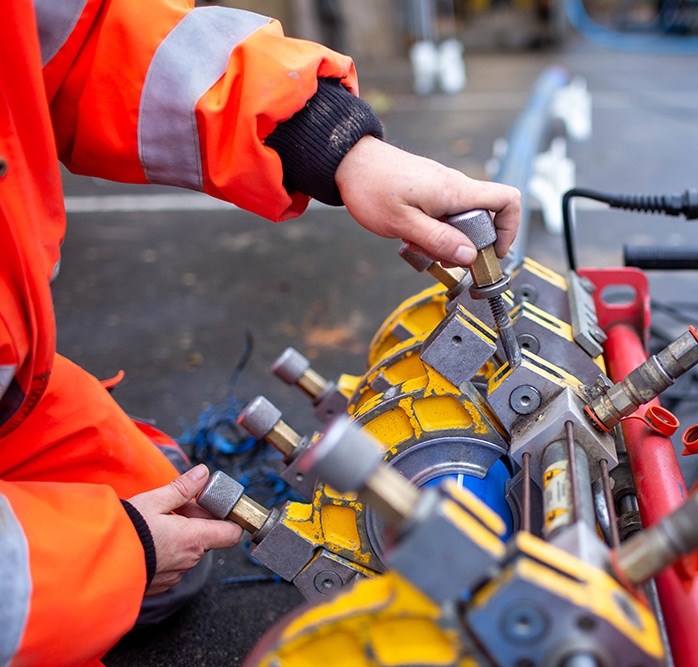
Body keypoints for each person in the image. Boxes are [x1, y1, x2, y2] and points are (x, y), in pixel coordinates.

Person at [0, 1, 521, 665]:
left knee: (170, 543)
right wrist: (113, 548)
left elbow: (86, 36)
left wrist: (334, 143)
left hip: (13, 383)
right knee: (108, 580)